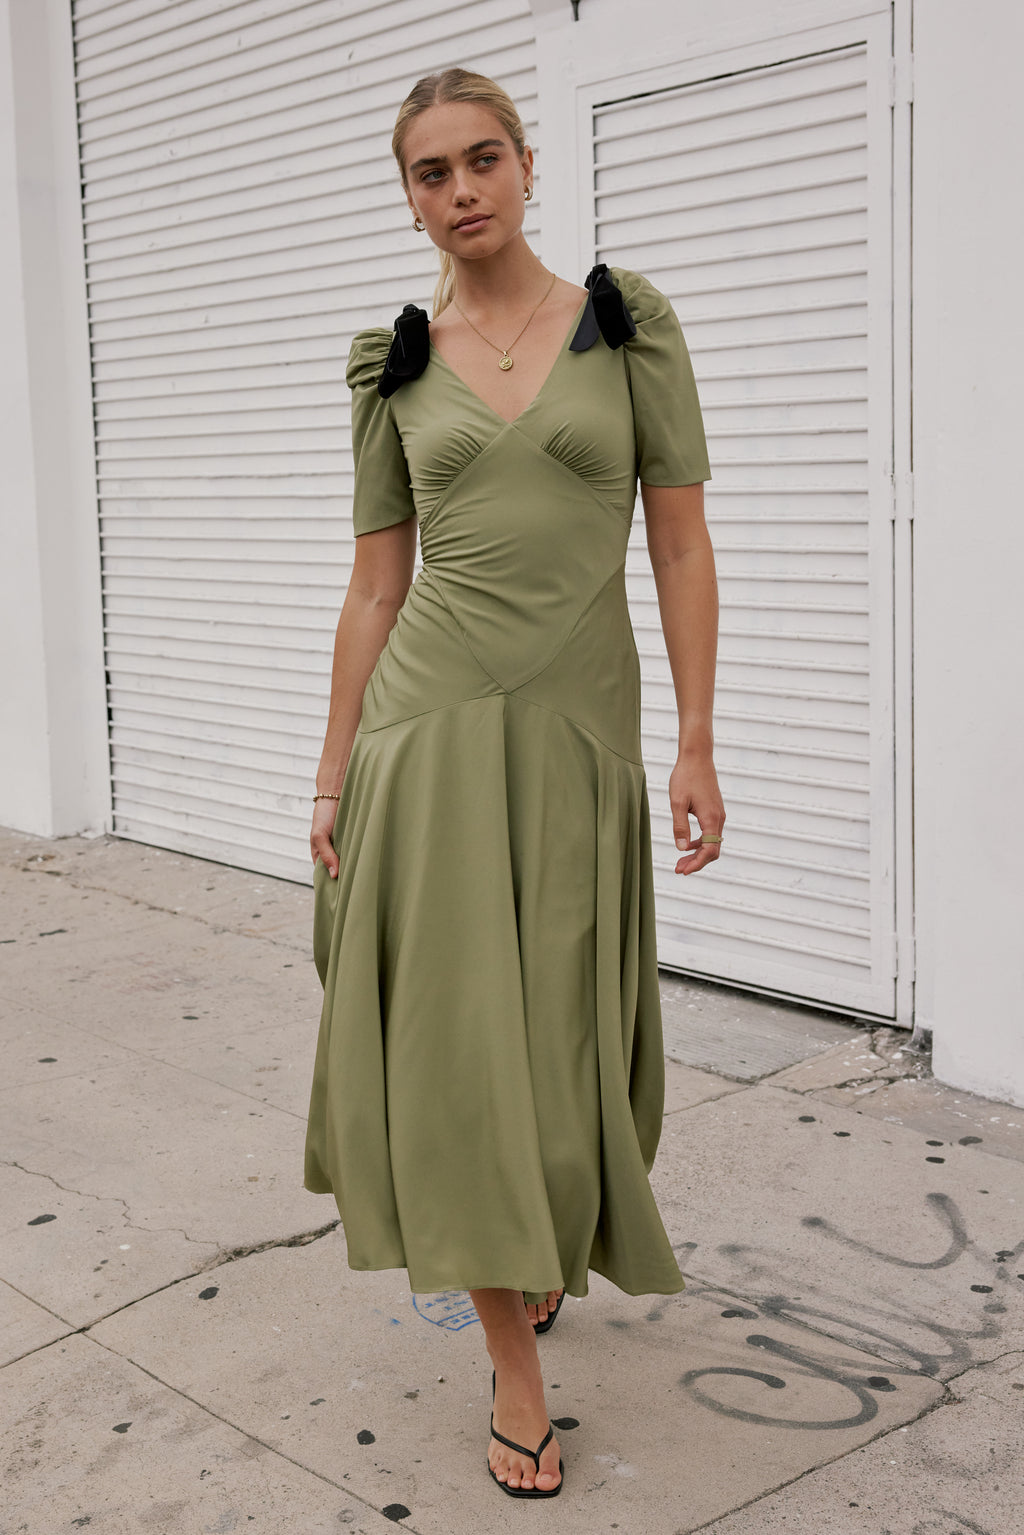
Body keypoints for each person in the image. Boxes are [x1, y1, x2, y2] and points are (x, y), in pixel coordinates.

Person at [304, 66, 725, 1500]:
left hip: (578, 730)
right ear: (408, 197)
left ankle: (542, 1241)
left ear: (529, 166)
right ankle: (515, 1369)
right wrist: (331, 770)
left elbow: (680, 546)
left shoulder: (626, 329)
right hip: (426, 735)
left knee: (563, 1046)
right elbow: (377, 589)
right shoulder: (397, 364)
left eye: (483, 158)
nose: (462, 189)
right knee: (461, 1056)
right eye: (431, 171)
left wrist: (696, 739)